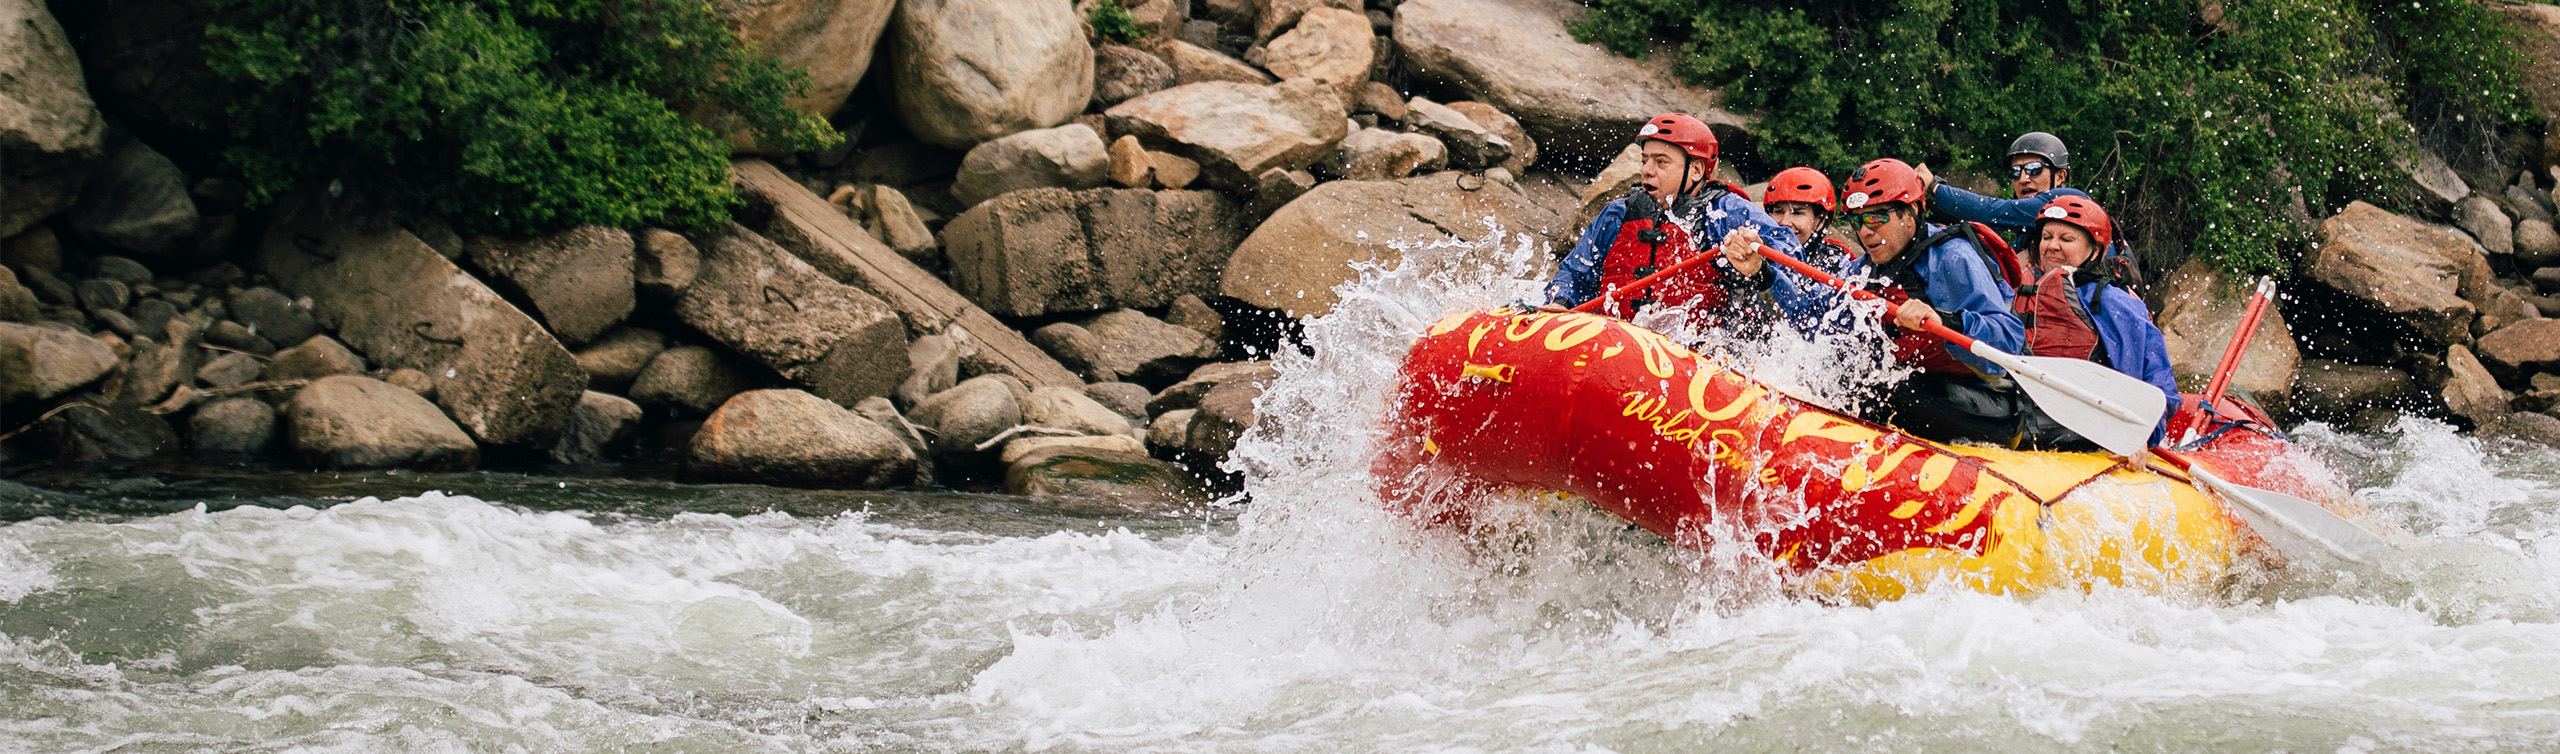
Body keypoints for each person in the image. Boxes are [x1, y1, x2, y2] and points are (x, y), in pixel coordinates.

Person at [1721, 158, 2034, 446]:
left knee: (1878, 384)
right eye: (1857, 221)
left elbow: (2008, 340)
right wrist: (1762, 274)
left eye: (1876, 217)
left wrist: (1943, 320)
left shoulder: (1951, 256)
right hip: (1921, 391)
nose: (1865, 231)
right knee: (1837, 368)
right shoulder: (1864, 269)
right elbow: (1812, 319)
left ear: (1910, 213)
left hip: (1991, 404)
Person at [1545, 113, 1800, 330]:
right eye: (1645, 160)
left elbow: (1790, 252)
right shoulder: (1618, 214)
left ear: (1696, 171)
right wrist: (1562, 302)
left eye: (1661, 162)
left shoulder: (1725, 212)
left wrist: (1757, 265)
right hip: (1616, 342)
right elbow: (1575, 272)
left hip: (1698, 354)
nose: (1647, 169)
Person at [2011, 195, 2179, 448]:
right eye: (2047, 237)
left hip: (2082, 424)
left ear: (2096, 250)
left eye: (2066, 239)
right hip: (2021, 406)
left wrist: (2139, 435)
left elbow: (2156, 384)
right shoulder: (2016, 289)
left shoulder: (2113, 302)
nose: (2052, 246)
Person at [1759, 167, 1853, 271]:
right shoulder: (1756, 255)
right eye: (1779, 212)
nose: (1785, 222)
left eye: (1797, 213)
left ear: (1820, 221)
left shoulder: (1836, 264)